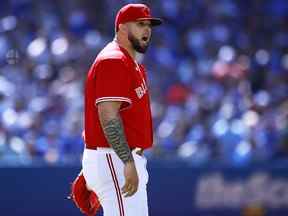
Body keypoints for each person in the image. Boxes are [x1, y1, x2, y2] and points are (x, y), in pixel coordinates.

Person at [81, 3, 162, 216]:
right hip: (115, 159)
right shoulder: (114, 60)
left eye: (149, 25)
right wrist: (125, 161)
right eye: (140, 24)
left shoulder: (130, 62)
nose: (147, 30)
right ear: (122, 28)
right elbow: (107, 115)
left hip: (114, 158)